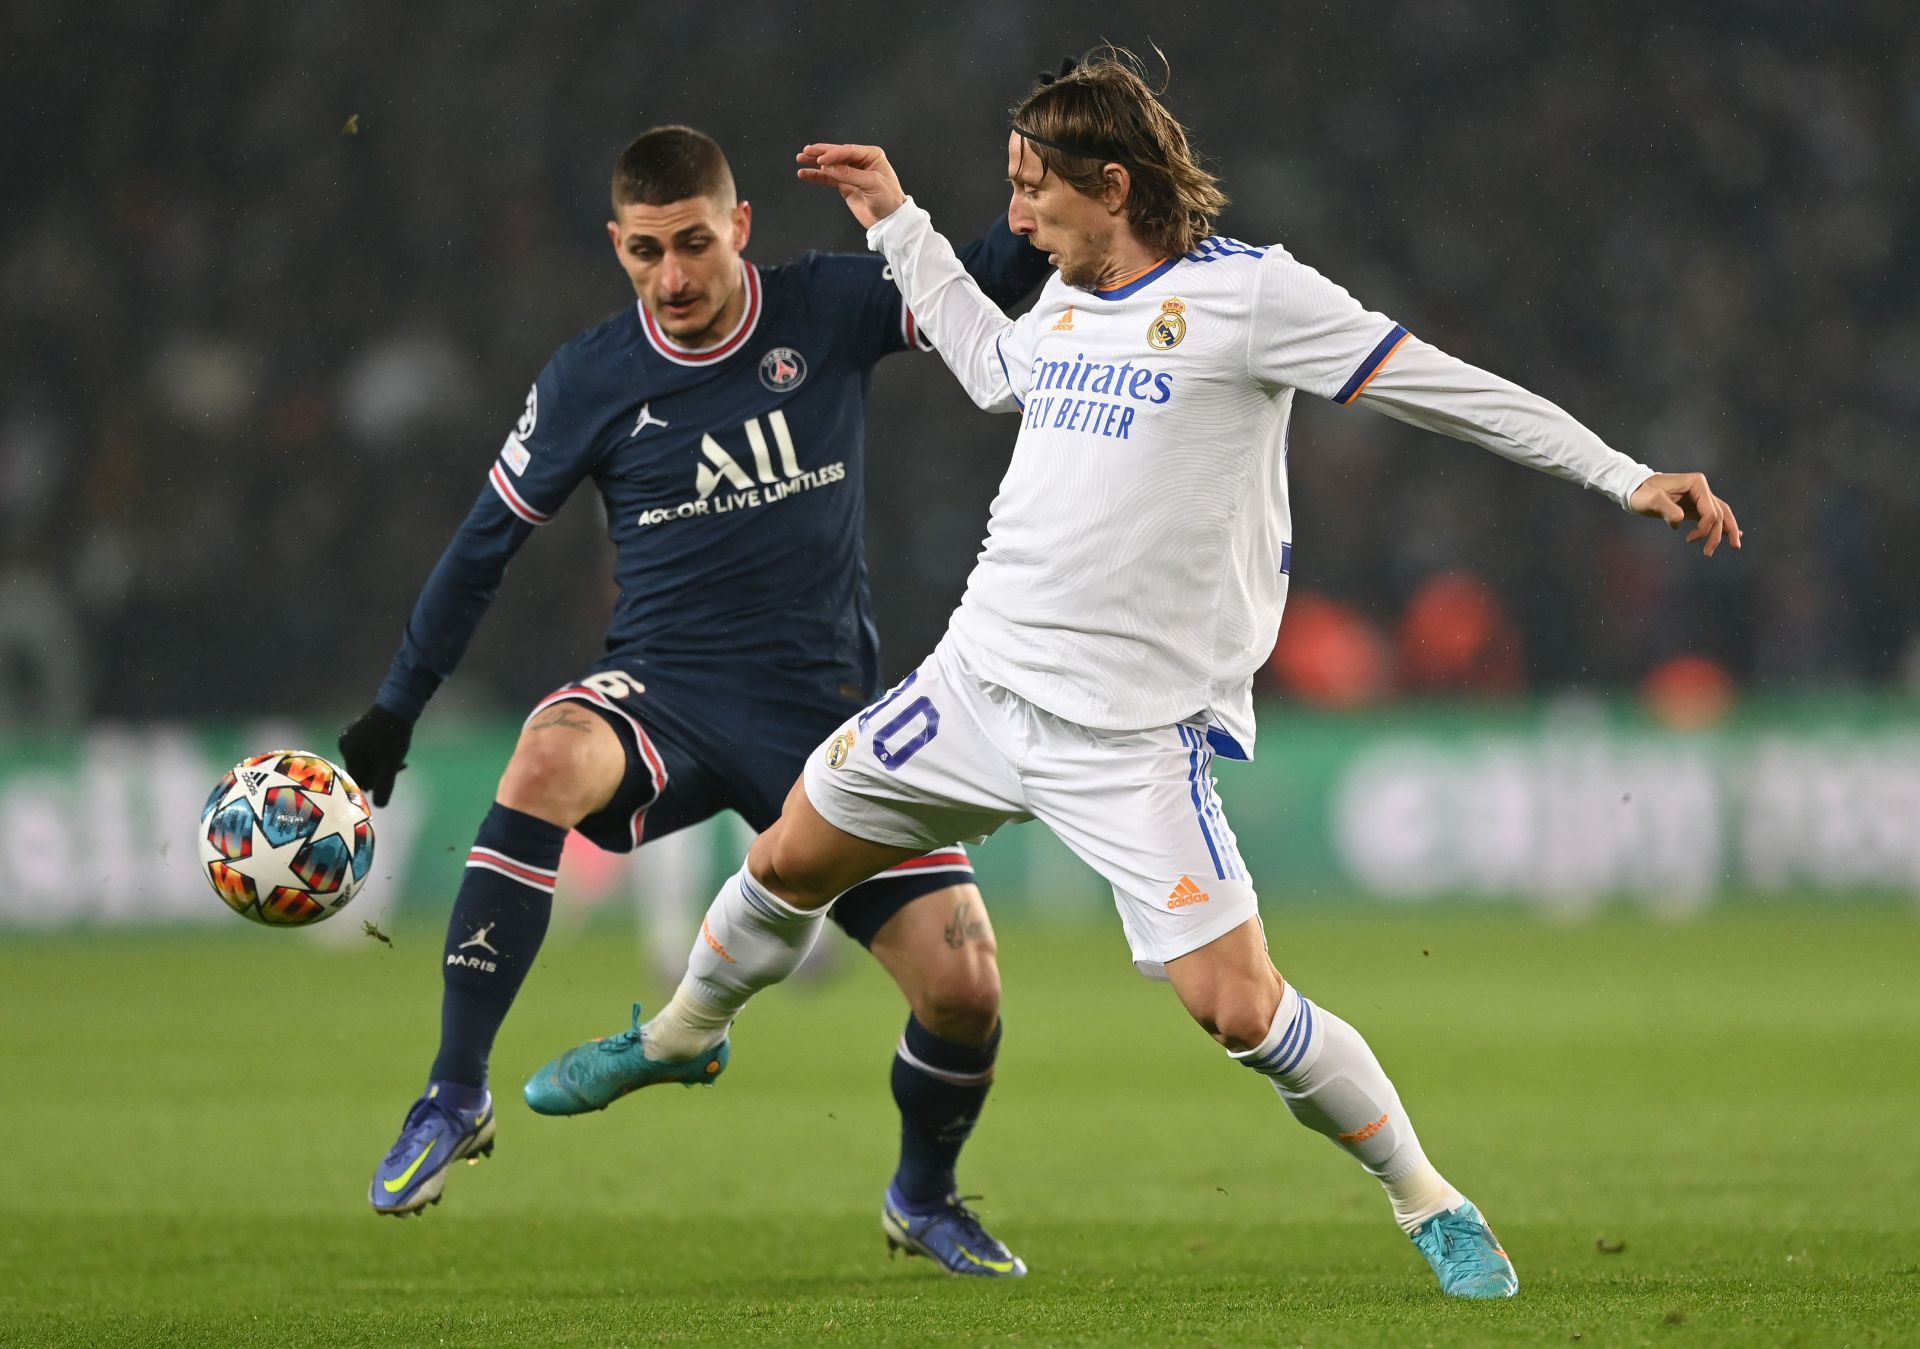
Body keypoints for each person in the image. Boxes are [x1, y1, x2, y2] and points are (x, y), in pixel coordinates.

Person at [528, 54, 1742, 1296]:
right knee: (787, 854)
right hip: (976, 683)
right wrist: (895, 223)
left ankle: (1428, 1196)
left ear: (1112, 184)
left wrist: (1623, 474)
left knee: (1240, 1007)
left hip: (1132, 736)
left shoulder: (1253, 297)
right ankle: (681, 1033)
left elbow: (1444, 390)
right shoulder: (1060, 302)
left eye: (1031, 189)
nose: (1016, 216)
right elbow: (989, 364)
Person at [341, 125, 1050, 1278]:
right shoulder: (589, 379)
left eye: (694, 245)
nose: (672, 277)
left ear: (742, 229)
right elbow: (480, 551)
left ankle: (921, 1195)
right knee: (542, 759)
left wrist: (1026, 206)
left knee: (966, 988)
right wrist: (395, 712)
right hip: (665, 696)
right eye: (645, 253)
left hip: (830, 719)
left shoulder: (827, 304)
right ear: (617, 247)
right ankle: (453, 1089)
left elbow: (985, 288)